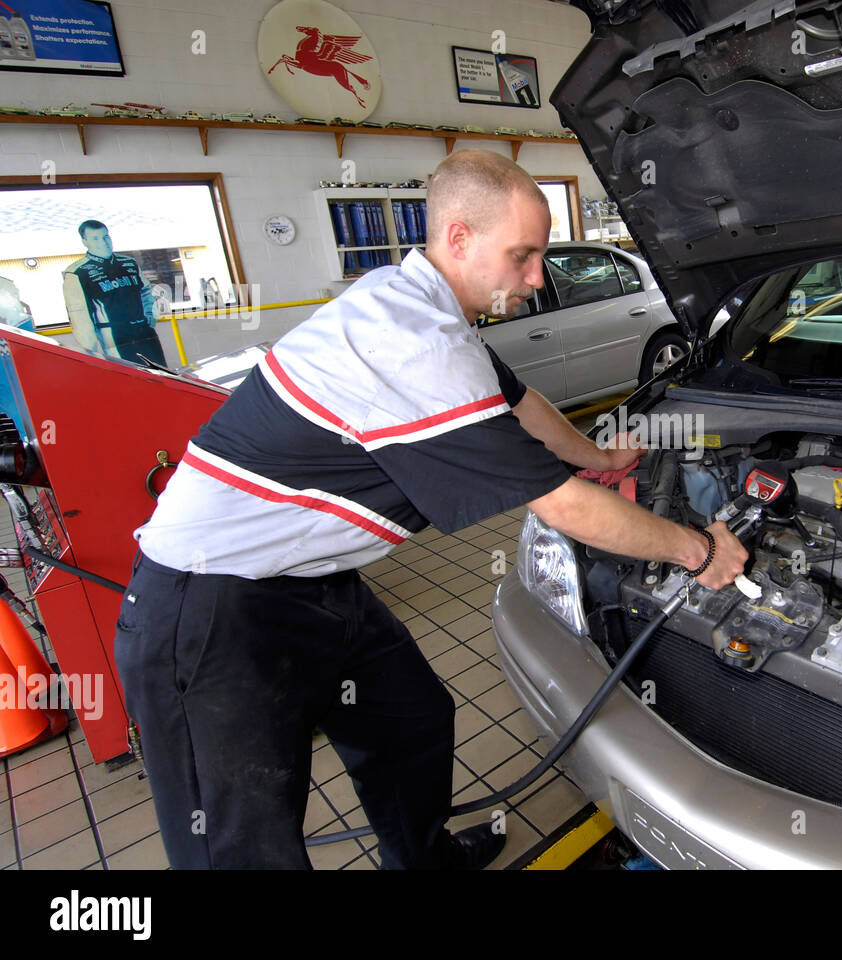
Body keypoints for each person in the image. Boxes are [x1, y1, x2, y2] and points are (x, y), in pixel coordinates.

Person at [113, 149, 747, 870]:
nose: (538, 278)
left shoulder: (420, 303)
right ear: (458, 239)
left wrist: (599, 458)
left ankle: (422, 861)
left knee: (409, 719)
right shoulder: (415, 342)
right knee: (242, 842)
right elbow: (567, 509)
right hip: (210, 609)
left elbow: (521, 404)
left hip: (315, 584)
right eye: (524, 255)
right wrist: (699, 551)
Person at [62, 220, 167, 367]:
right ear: (85, 241)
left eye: (106, 236)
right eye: (95, 238)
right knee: (132, 377)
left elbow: (145, 290)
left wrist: (151, 314)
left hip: (144, 331)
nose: (104, 242)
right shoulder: (77, 273)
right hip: (114, 336)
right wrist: (89, 350)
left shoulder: (129, 263)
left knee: (163, 374)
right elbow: (79, 315)